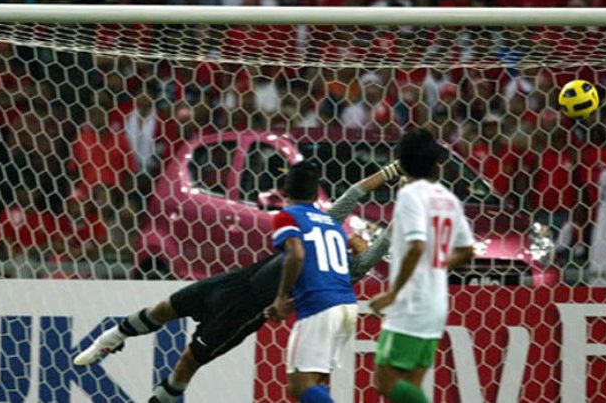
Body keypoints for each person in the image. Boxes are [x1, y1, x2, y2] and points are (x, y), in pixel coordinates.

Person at [73, 162, 403, 403]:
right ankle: (114, 337)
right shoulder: (326, 222)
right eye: (360, 235)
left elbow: (374, 241)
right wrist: (396, 175)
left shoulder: (349, 267)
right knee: (166, 307)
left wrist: (397, 186)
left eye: (363, 238)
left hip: (249, 309)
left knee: (189, 361)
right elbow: (356, 195)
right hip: (238, 280)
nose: (359, 237)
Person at [369, 129, 474, 403]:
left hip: (410, 305)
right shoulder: (449, 199)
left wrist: (393, 294)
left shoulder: (409, 196)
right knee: (410, 386)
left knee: (384, 381)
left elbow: (416, 246)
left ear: (401, 163)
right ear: (436, 162)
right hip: (436, 305)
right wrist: (437, 262)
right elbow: (466, 252)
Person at [264, 162, 357, 403]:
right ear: (316, 193)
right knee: (315, 383)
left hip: (320, 310)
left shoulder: (286, 217)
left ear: (284, 191)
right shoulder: (332, 223)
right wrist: (295, 301)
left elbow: (297, 254)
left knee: (300, 386)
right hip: (346, 306)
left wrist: (281, 296)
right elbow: (329, 270)